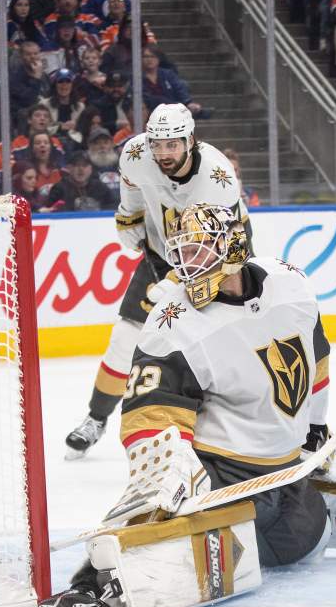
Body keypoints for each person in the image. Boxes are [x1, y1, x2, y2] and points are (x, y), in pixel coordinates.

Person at [25, 202, 336, 607]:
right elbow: (149, 411)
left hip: (285, 472)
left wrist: (315, 431)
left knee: (302, 545)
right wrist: (170, 466)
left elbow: (316, 363)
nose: (185, 266)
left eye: (199, 250)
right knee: (161, 499)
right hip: (220, 473)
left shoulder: (289, 284)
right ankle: (93, 585)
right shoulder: (172, 320)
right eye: (181, 253)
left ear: (232, 244)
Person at [63, 104, 247, 459]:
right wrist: (129, 217)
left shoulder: (217, 177)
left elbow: (223, 241)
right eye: (157, 144)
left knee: (223, 340)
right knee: (125, 339)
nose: (163, 153)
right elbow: (132, 188)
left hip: (219, 256)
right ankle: (96, 417)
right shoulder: (135, 153)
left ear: (190, 140)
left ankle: (240, 423)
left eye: (172, 145)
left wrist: (179, 280)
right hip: (162, 252)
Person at [42, 149, 115, 211]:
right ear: (69, 168)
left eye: (84, 165)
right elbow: (50, 211)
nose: (81, 169)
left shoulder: (100, 187)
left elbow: (112, 208)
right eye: (77, 165)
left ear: (91, 169)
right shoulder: (59, 189)